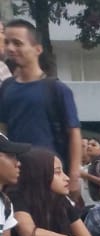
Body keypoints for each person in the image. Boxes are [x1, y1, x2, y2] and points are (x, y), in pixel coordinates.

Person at [0, 19, 80, 194]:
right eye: (7, 42)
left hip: (51, 177)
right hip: (16, 178)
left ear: (38, 49)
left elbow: (74, 133)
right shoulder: (6, 87)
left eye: (18, 43)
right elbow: (3, 131)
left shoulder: (57, 89)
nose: (11, 48)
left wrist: (74, 176)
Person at [80, 137, 100, 205]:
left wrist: (86, 176)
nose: (89, 146)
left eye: (93, 145)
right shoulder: (89, 166)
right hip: (88, 205)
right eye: (88, 144)